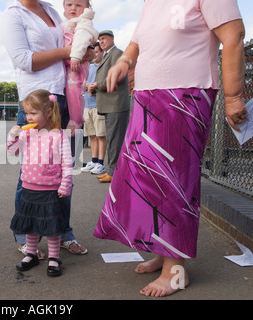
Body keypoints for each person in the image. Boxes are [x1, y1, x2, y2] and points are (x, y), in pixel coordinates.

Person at [94, 0, 247, 297]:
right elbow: (140, 39)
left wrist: (233, 96)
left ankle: (176, 271)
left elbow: (234, 35)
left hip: (185, 95)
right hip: (148, 94)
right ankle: (165, 251)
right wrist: (124, 61)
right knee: (146, 178)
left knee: (173, 180)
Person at [3, 0, 90, 256]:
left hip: (62, 98)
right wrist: (68, 53)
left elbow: (72, 45)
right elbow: (23, 60)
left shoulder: (51, 10)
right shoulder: (13, 14)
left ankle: (63, 232)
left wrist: (83, 52)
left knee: (63, 170)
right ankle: (24, 234)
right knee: (30, 170)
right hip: (36, 100)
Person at [8, 90, 73, 277]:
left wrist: (65, 184)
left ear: (48, 112)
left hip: (51, 188)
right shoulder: (26, 134)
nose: (28, 117)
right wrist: (13, 136)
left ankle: (54, 258)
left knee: (51, 227)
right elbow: (12, 152)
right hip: (29, 186)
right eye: (27, 113)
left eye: (33, 113)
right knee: (31, 224)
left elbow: (67, 162)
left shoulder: (59, 135)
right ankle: (31, 254)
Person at [88, 30, 130, 183]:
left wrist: (96, 85)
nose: (102, 41)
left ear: (112, 39)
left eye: (104, 39)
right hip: (109, 105)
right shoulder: (108, 55)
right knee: (112, 140)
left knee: (115, 141)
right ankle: (112, 171)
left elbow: (116, 78)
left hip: (116, 105)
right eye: (100, 39)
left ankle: (114, 173)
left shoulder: (117, 53)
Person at [62, 0, 99, 131]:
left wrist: (76, 56)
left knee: (74, 90)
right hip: (68, 64)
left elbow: (81, 39)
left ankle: (76, 120)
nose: (73, 8)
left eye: (78, 5)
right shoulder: (66, 23)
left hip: (76, 64)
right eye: (69, 5)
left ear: (87, 8)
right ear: (63, 7)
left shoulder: (84, 22)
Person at [81, 43, 107, 175]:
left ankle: (100, 163)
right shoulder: (89, 67)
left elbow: (107, 85)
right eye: (94, 52)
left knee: (101, 135)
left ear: (102, 52)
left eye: (97, 52)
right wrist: (84, 85)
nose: (95, 55)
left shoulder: (105, 68)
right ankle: (94, 161)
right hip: (87, 105)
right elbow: (80, 81)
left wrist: (95, 87)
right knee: (92, 136)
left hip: (99, 105)